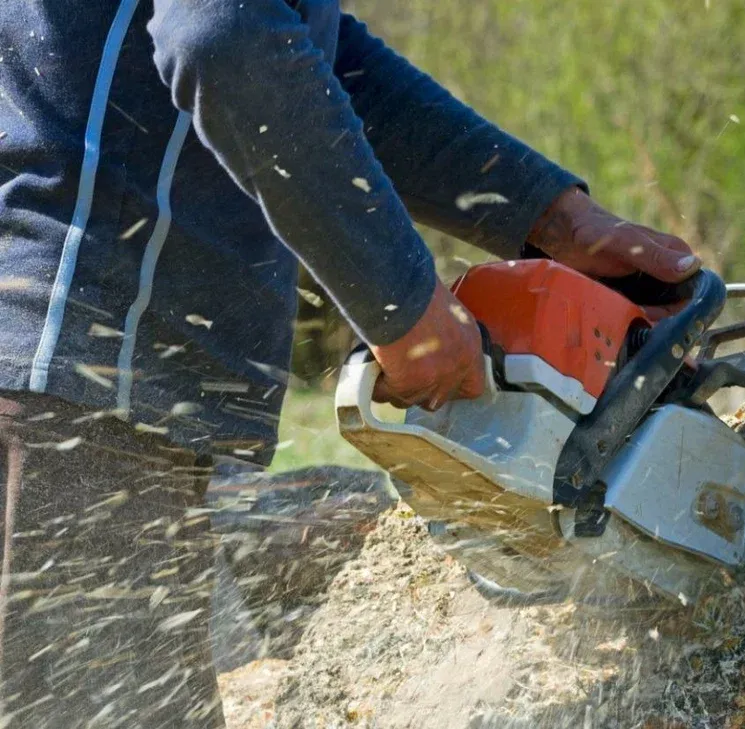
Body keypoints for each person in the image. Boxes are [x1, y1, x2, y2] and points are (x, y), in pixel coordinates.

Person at [0, 2, 699, 727]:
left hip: (72, 375)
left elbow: (305, 59)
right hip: (78, 384)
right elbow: (227, 39)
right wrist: (399, 303)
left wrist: (549, 217)